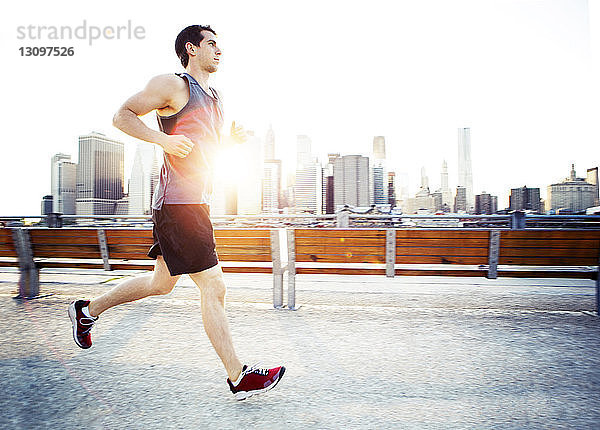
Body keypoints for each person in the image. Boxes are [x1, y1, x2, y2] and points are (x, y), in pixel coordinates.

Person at [68, 24, 285, 401]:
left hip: (193, 203)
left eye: (220, 45)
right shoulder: (173, 84)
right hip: (177, 206)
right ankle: (238, 375)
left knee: (161, 283)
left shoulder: (214, 97)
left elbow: (205, 148)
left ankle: (87, 311)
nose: (220, 50)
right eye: (212, 44)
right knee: (214, 286)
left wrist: (230, 141)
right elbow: (122, 116)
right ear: (192, 48)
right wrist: (163, 139)